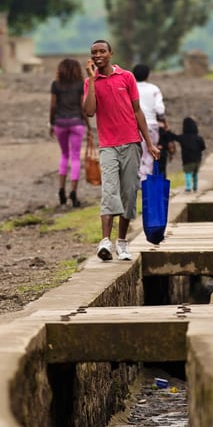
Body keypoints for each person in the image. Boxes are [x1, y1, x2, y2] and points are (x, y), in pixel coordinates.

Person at [82, 40, 161, 262]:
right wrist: (91, 78)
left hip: (131, 143)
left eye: (102, 51)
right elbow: (89, 111)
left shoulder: (126, 77)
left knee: (128, 193)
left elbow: (137, 112)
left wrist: (150, 143)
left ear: (110, 53)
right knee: (109, 191)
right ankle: (105, 241)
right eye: (94, 52)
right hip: (107, 146)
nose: (98, 55)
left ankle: (122, 242)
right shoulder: (91, 82)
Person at [50, 58, 87, 208]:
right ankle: (73, 192)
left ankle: (61, 189)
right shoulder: (80, 85)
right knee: (76, 157)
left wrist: (51, 122)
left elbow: (53, 106)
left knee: (64, 155)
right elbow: (83, 106)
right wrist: (88, 126)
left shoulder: (56, 85)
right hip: (76, 122)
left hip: (60, 122)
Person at [132, 63, 167, 181]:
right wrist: (163, 121)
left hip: (133, 126)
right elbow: (160, 109)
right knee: (150, 154)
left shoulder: (130, 88)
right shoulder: (154, 89)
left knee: (136, 156)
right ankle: (146, 182)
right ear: (148, 75)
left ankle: (138, 180)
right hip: (151, 125)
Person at [175, 117, 206, 193]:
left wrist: (167, 131)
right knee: (195, 173)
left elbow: (174, 137)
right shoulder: (198, 138)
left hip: (187, 159)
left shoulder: (183, 137)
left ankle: (188, 187)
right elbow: (203, 147)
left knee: (188, 173)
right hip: (197, 159)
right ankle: (195, 186)